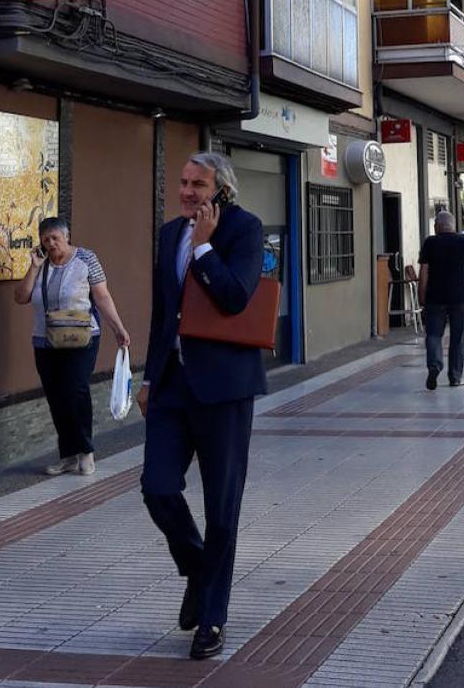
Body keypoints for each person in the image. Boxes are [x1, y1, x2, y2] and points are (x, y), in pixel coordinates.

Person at [135, 151, 266, 660]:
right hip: (171, 387)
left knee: (222, 509)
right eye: (184, 182)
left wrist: (206, 249)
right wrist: (150, 378)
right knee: (157, 488)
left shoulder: (245, 230)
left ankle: (212, 618)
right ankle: (198, 569)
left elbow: (237, 297)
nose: (187, 191)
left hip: (225, 390)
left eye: (198, 183)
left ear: (222, 190)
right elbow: (161, 314)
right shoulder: (169, 234)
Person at [14, 217, 130, 477]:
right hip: (45, 340)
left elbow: (102, 296)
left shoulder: (86, 260)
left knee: (76, 390)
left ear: (67, 237)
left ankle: (85, 451)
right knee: (56, 396)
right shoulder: (41, 265)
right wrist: (33, 268)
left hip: (81, 337)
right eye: (46, 239)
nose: (51, 243)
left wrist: (118, 328)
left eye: (56, 238)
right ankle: (67, 455)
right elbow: (20, 297)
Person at [418, 210, 464, 390]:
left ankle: (434, 365)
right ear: (452, 225)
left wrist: (422, 296)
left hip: (435, 297)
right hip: (459, 298)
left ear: (438, 226)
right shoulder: (463, 241)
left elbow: (424, 272)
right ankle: (455, 377)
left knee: (433, 334)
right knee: (458, 337)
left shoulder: (429, 243)